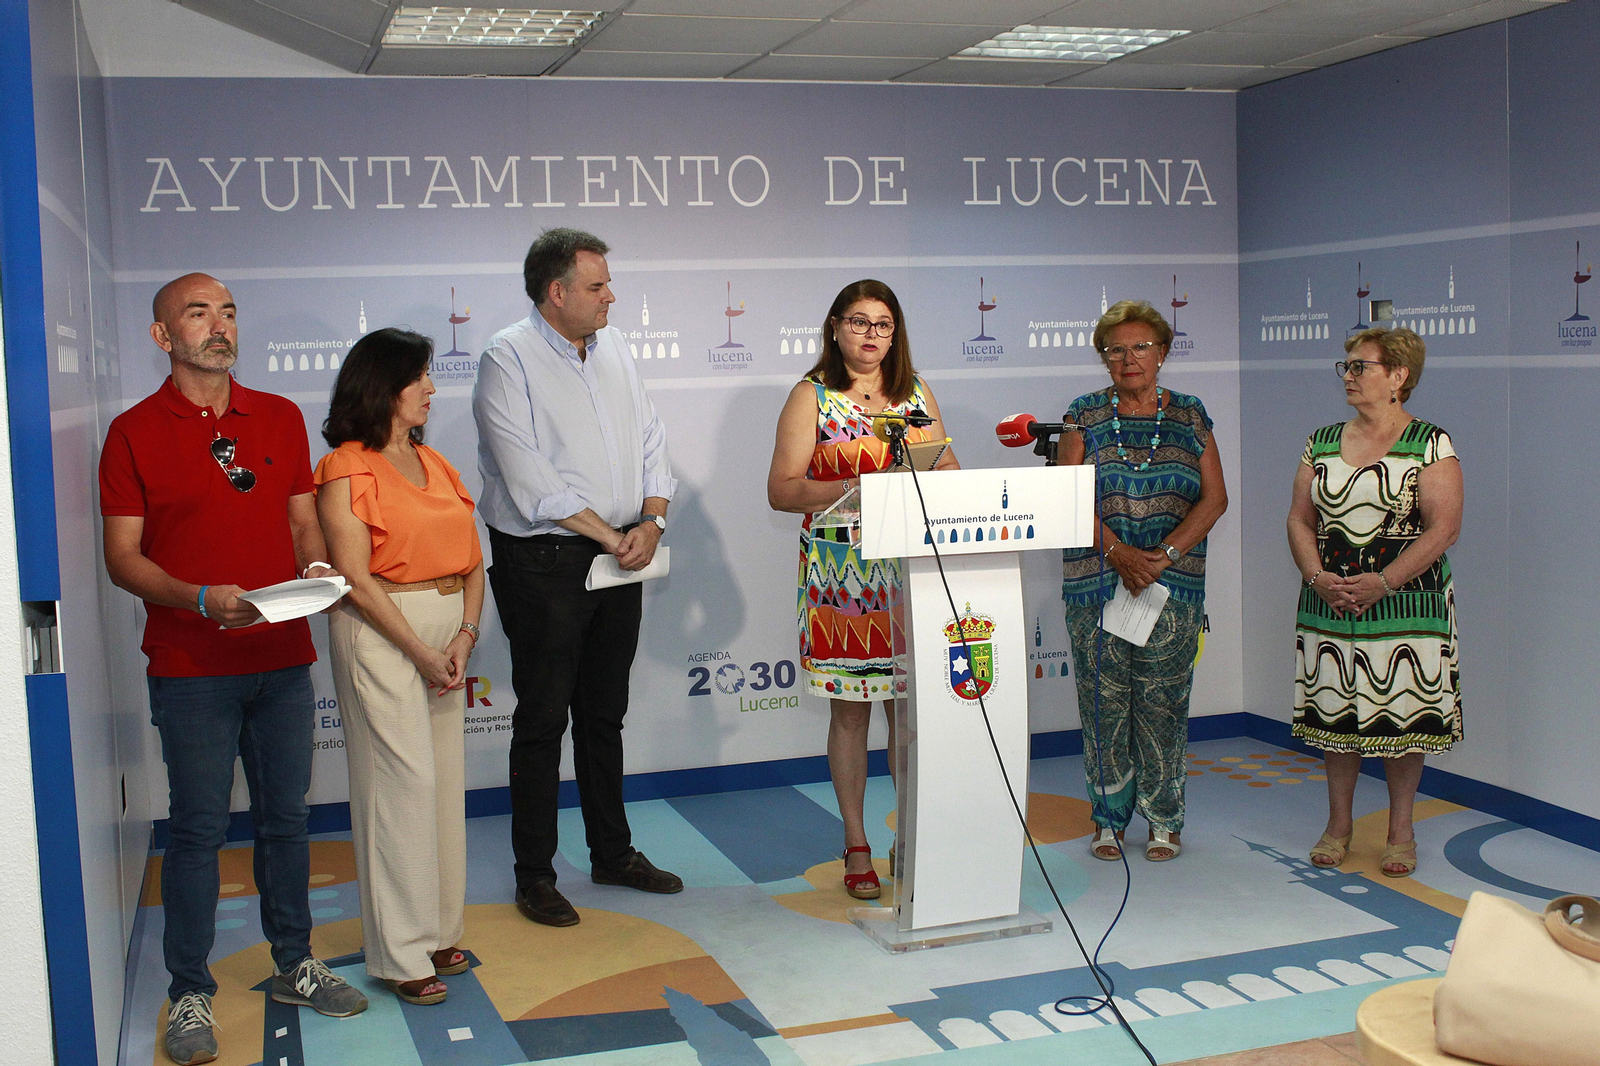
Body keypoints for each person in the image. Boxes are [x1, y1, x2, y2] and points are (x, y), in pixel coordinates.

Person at [99, 273, 367, 1066]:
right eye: (196, 313)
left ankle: (296, 963)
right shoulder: (133, 432)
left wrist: (315, 573)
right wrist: (198, 598)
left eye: (227, 313)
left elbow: (300, 522)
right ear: (162, 336)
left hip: (282, 658)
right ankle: (190, 992)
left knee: (287, 821)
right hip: (190, 665)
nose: (218, 327)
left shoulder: (280, 417)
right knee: (197, 830)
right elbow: (121, 558)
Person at [472, 228, 681, 928]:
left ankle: (612, 853)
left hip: (621, 552)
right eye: (596, 286)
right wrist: (615, 536)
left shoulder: (616, 346)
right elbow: (531, 481)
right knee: (540, 720)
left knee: (603, 714)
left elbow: (651, 437)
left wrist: (651, 520)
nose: (610, 296)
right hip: (546, 562)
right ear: (555, 293)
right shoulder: (508, 358)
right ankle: (535, 873)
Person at [766, 279, 959, 899]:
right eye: (858, 322)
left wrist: (941, 480)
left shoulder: (915, 392)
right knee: (852, 714)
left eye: (883, 324)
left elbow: (948, 469)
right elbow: (783, 490)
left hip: (909, 570)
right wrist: (862, 482)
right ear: (834, 327)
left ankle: (914, 834)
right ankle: (856, 843)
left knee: (908, 713)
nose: (871, 335)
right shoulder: (811, 396)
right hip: (842, 575)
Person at [315, 329, 485, 1005]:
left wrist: (466, 634)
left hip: (447, 635)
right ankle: (402, 953)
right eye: (421, 377)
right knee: (400, 790)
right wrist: (419, 650)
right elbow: (354, 576)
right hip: (383, 634)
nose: (432, 389)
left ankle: (441, 931)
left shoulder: (436, 462)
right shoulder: (344, 467)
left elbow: (473, 560)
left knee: (440, 784)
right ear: (384, 386)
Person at [1288, 327, 1462, 878]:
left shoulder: (1431, 444)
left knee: (1402, 719)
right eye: (1346, 367)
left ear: (1399, 377)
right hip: (1330, 603)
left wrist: (1383, 582)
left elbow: (1444, 529)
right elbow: (1299, 519)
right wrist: (1316, 576)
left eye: (1361, 366)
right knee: (1336, 717)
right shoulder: (1319, 442)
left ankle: (1400, 831)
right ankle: (1338, 827)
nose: (1350, 376)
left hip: (1406, 607)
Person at [1059, 299, 1228, 863]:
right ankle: (1107, 820)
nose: (1128, 358)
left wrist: (1163, 554)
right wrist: (1120, 553)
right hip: (1098, 582)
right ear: (1103, 359)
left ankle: (1164, 819)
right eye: (1115, 349)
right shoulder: (1083, 414)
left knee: (1162, 704)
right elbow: (1069, 500)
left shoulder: (1188, 414)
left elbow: (1215, 498)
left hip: (1171, 583)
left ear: (1162, 353)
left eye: (1140, 347)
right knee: (1102, 705)